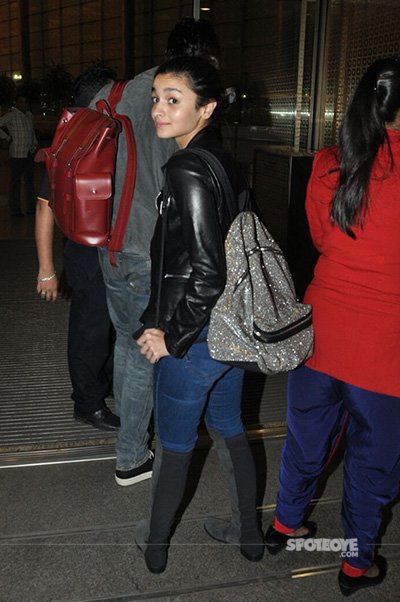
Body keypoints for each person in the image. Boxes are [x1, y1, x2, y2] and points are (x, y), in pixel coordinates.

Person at [264, 57, 400, 596]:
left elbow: (324, 241)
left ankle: (285, 525)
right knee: (373, 464)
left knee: (305, 438)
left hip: (318, 337)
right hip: (385, 354)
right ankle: (353, 563)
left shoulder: (329, 164)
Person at [134, 56, 265, 575]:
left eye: (174, 100)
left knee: (176, 443)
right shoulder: (220, 159)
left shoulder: (186, 167)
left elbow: (208, 270)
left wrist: (172, 338)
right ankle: (248, 534)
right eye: (157, 98)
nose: (159, 110)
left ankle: (155, 542)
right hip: (230, 329)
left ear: (205, 108)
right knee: (231, 426)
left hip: (195, 334)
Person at [91, 18, 222, 486]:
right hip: (156, 251)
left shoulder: (117, 91)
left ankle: (131, 452)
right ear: (203, 60)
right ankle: (147, 453)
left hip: (111, 243)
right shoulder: (183, 101)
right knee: (156, 348)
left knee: (130, 347)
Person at [35, 64, 118, 431]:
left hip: (104, 251)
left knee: (109, 327)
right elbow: (44, 206)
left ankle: (107, 386)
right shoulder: (73, 141)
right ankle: (87, 402)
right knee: (91, 330)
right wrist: (46, 270)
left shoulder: (94, 134)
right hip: (86, 252)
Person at [0, 92, 38, 215]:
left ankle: (31, 208)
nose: (24, 104)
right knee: (15, 182)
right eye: (21, 102)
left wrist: (35, 144)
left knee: (29, 182)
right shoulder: (12, 115)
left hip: (29, 153)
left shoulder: (29, 115)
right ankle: (15, 209)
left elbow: (31, 132)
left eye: (25, 102)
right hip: (17, 153)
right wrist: (7, 137)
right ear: (16, 103)